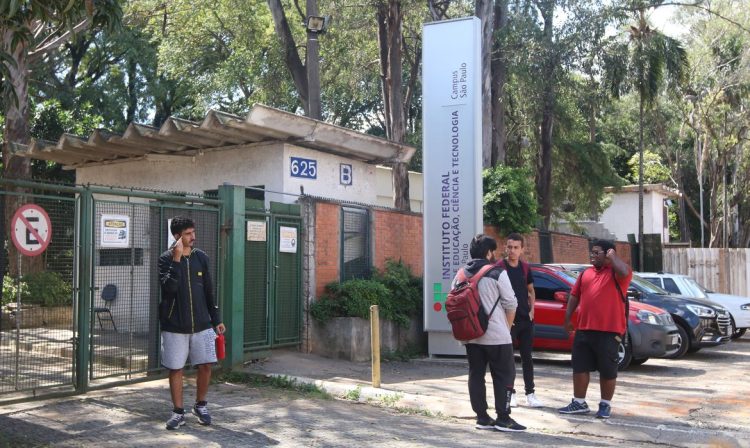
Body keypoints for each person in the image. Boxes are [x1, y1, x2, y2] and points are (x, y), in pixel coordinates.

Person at [453, 234, 526, 432]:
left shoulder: (460, 274)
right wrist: (507, 329)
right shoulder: (496, 272)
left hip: (470, 336)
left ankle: (482, 418)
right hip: (496, 336)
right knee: (504, 375)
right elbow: (511, 303)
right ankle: (504, 418)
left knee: (476, 374)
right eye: (493, 251)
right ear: (488, 253)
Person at [158, 216, 226, 430]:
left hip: (203, 324)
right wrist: (177, 259)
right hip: (174, 325)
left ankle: (201, 405)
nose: (193, 237)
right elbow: (169, 289)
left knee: (206, 365)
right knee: (176, 369)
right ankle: (178, 412)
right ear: (177, 236)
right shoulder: (165, 259)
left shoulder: (202, 258)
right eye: (188, 234)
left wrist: (216, 320)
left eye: (193, 232)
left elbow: (208, 291)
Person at [558, 239, 632, 419]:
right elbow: (574, 296)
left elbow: (624, 270)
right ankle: (579, 402)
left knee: (607, 370)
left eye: (597, 252)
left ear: (608, 254)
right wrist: (568, 318)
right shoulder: (586, 274)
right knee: (580, 367)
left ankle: (605, 405)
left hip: (609, 331)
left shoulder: (618, 274)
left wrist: (613, 256)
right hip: (584, 329)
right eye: (592, 252)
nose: (592, 255)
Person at [497, 233, 543, 408]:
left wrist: (532, 309)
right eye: (509, 247)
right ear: (505, 247)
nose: (512, 250)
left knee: (527, 358)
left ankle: (530, 394)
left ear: (522, 249)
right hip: (507, 320)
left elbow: (531, 290)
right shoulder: (500, 267)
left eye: (516, 247)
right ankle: (511, 393)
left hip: (525, 319)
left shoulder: (525, 268)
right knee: (508, 358)